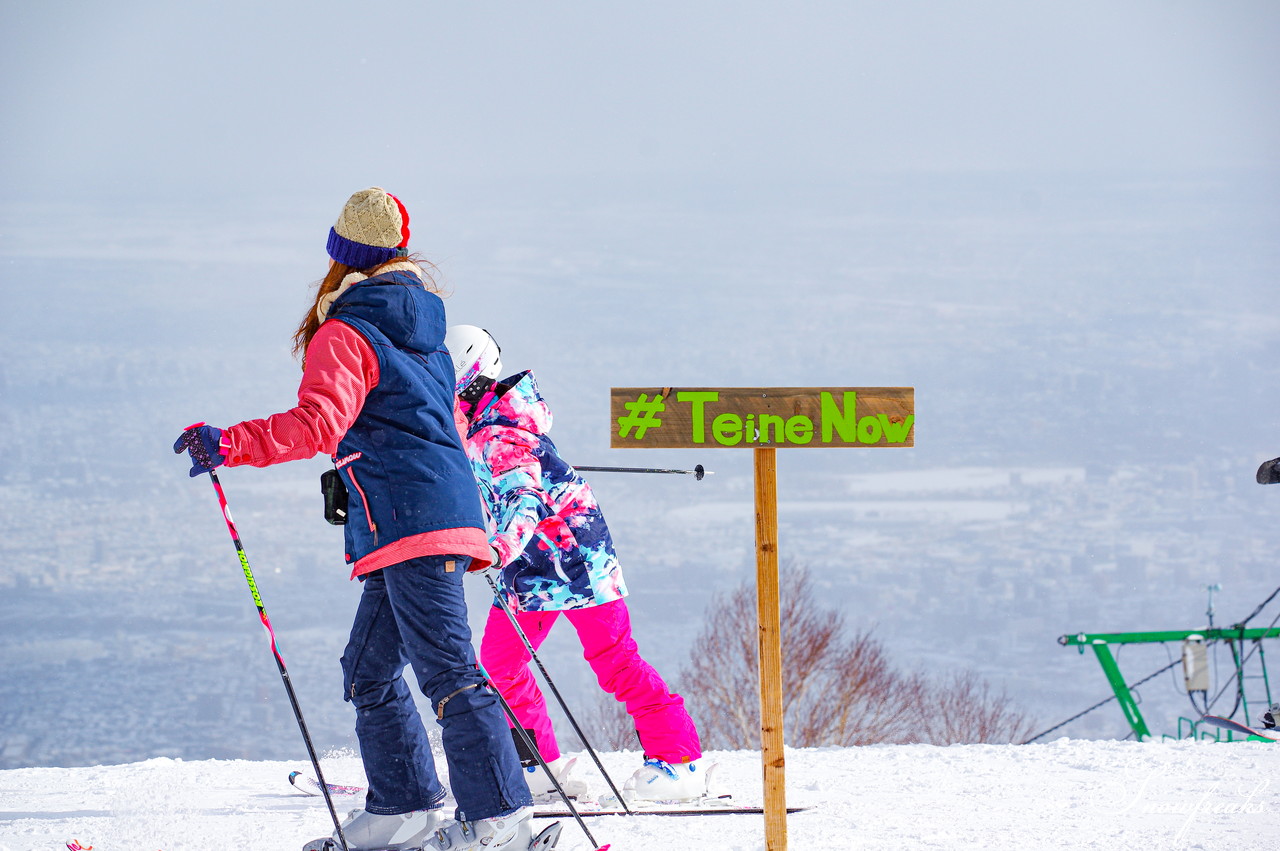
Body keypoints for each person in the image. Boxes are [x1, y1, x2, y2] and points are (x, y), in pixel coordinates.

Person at [173, 189, 536, 851]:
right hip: (419, 511)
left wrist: (230, 442)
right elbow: (416, 426)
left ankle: (501, 816)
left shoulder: (349, 331)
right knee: (369, 667)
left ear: (339, 255)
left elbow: (317, 424)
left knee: (450, 670)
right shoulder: (423, 326)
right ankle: (403, 806)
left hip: (410, 520)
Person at [444, 324, 713, 803]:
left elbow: (522, 498)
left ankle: (678, 763)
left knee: (615, 662)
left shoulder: (503, 435)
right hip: (530, 569)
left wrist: (499, 547)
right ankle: (536, 764)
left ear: (469, 378)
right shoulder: (481, 423)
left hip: (577, 561)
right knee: (500, 663)